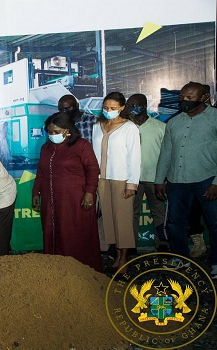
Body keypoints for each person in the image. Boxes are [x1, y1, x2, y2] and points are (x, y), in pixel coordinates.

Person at [155, 82, 217, 278]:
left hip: (207, 179)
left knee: (214, 223)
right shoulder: (174, 122)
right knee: (175, 223)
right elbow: (166, 152)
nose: (184, 100)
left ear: (205, 97)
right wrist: (159, 180)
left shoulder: (215, 118)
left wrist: (216, 182)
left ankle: (216, 262)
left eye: (190, 97)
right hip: (177, 181)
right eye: (182, 97)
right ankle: (180, 258)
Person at [32, 112, 102, 271]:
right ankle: (56, 270)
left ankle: (80, 270)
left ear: (67, 130)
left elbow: (93, 169)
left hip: (75, 199)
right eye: (49, 132)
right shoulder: (46, 148)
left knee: (74, 233)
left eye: (56, 132)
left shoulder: (81, 145)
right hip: (50, 200)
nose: (52, 135)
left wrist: (90, 192)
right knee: (52, 231)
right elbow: (41, 172)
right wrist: (36, 192)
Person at [91, 92, 141, 273]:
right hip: (101, 179)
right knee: (110, 221)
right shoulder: (98, 126)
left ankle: (124, 259)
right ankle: (116, 255)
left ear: (122, 108)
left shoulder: (130, 128)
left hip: (122, 179)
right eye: (105, 108)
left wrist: (131, 184)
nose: (108, 111)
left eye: (112, 108)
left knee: (123, 221)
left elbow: (135, 158)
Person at [126, 94, 168, 253]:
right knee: (131, 213)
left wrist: (164, 178)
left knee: (159, 212)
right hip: (131, 179)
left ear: (144, 106)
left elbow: (166, 154)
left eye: (134, 105)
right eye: (129, 105)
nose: (131, 108)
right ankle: (130, 245)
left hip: (155, 178)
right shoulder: (126, 127)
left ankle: (162, 244)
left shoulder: (160, 127)